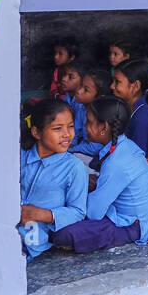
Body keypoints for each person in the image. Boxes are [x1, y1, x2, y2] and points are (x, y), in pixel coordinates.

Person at [51, 97, 148, 251]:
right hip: (126, 217)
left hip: (130, 226)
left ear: (103, 128)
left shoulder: (117, 162)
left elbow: (93, 212)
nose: (85, 126)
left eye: (89, 122)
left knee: (62, 233)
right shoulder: (122, 144)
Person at [18, 99, 87, 260]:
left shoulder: (74, 168)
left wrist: (43, 214)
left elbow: (78, 212)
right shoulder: (20, 155)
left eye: (70, 126)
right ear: (36, 132)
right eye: (57, 128)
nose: (67, 134)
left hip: (31, 241)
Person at [111, 59, 148, 168]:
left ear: (135, 86)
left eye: (117, 82)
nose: (112, 86)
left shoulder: (141, 116)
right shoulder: (130, 108)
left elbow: (136, 158)